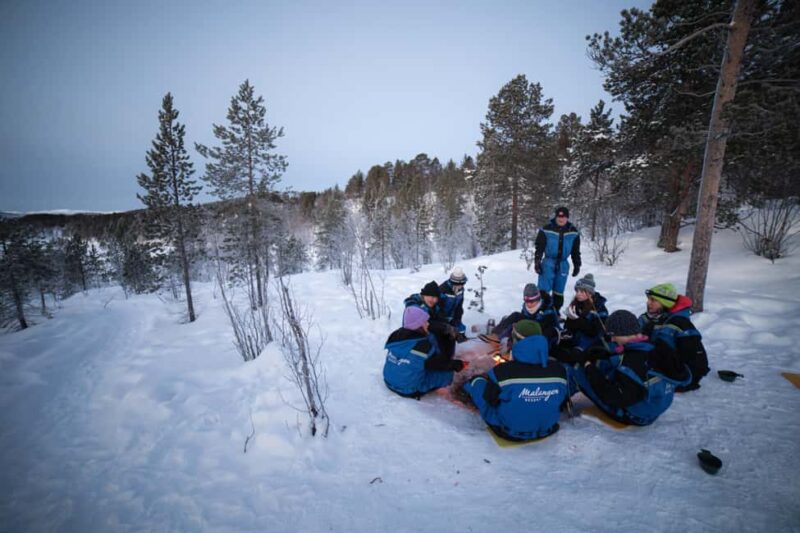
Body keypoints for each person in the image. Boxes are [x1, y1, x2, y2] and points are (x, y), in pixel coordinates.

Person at [571, 310, 691, 426]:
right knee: (605, 365)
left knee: (576, 369)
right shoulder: (653, 347)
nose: (612, 339)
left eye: (613, 335)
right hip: (654, 406)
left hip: (636, 416)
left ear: (624, 333)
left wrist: (589, 368)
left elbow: (614, 396)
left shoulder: (631, 363)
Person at [464, 320, 568, 441]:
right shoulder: (559, 370)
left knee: (478, 384)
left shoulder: (502, 371)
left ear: (515, 341)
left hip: (509, 430)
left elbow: (490, 400)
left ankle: (469, 385)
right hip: (547, 428)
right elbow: (562, 400)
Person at [383, 306, 468, 398]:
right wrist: (456, 364)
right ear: (418, 325)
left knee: (418, 363)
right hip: (408, 389)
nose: (428, 324)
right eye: (425, 322)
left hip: (389, 380)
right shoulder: (423, 346)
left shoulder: (396, 336)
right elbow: (438, 364)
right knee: (447, 374)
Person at [638, 283, 709, 391]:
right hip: (653, 363)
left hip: (677, 374)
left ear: (665, 303)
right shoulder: (648, 319)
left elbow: (696, 358)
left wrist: (689, 379)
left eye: (653, 300)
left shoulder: (680, 324)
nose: (648, 303)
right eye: (649, 299)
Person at [479, 283, 559, 350]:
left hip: (543, 336)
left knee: (547, 330)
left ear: (538, 299)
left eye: (532, 301)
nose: (529, 304)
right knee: (516, 316)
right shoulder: (526, 308)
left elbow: (552, 330)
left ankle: (531, 350)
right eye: (527, 301)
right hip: (528, 331)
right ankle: (496, 336)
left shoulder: (548, 310)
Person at [534, 206, 581, 314]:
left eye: (563, 217)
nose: (561, 219)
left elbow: (575, 251)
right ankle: (541, 310)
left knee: (559, 290)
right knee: (544, 288)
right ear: (555, 217)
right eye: (559, 217)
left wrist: (577, 264)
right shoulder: (546, 229)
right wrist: (537, 261)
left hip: (563, 264)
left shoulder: (573, 232)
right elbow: (539, 247)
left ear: (567, 218)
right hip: (548, 262)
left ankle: (556, 312)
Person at [404, 280, 459, 359]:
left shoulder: (433, 306)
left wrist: (453, 329)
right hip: (416, 336)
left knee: (449, 335)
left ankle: (448, 359)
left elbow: (441, 319)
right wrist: (446, 328)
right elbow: (426, 323)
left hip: (428, 331)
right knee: (437, 340)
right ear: (424, 295)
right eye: (432, 297)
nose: (434, 300)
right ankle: (441, 360)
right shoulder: (415, 307)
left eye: (436, 298)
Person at [560, 273, 609, 351]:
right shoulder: (576, 304)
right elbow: (568, 326)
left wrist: (577, 320)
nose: (578, 294)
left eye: (582, 291)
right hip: (576, 339)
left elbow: (595, 332)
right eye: (577, 291)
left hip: (592, 343)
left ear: (590, 293)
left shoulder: (599, 308)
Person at [439, 267, 468, 343]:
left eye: (463, 284)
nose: (461, 286)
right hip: (442, 318)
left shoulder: (461, 290)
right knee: (445, 335)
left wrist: (457, 320)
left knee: (461, 329)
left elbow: (459, 306)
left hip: (453, 316)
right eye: (459, 284)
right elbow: (438, 308)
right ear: (453, 282)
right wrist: (445, 323)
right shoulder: (443, 289)